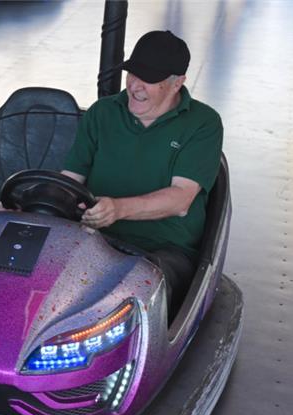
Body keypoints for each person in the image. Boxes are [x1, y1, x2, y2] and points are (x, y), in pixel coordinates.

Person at [61, 30, 223, 312]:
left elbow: (180, 199)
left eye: (148, 79)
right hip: (93, 239)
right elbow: (70, 179)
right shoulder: (102, 113)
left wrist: (118, 209)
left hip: (163, 251)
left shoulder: (202, 123)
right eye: (132, 74)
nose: (135, 86)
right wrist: (26, 203)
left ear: (177, 84)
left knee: (131, 294)